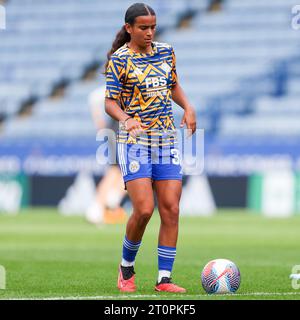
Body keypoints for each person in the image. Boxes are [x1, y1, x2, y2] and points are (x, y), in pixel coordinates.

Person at [104, 3, 196, 293]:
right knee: (144, 209)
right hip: (134, 143)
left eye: (153, 26)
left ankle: (164, 280)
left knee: (171, 209)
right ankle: (126, 266)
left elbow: (173, 85)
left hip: (166, 140)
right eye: (143, 27)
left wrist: (188, 107)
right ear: (129, 28)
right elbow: (109, 102)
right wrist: (126, 119)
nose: (149, 32)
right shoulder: (119, 60)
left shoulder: (166, 51)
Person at [85, 86, 128, 225]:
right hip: (119, 130)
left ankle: (111, 200)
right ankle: (98, 206)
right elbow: (94, 98)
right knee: (116, 169)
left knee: (127, 169)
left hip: (129, 131)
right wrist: (99, 121)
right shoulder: (118, 83)